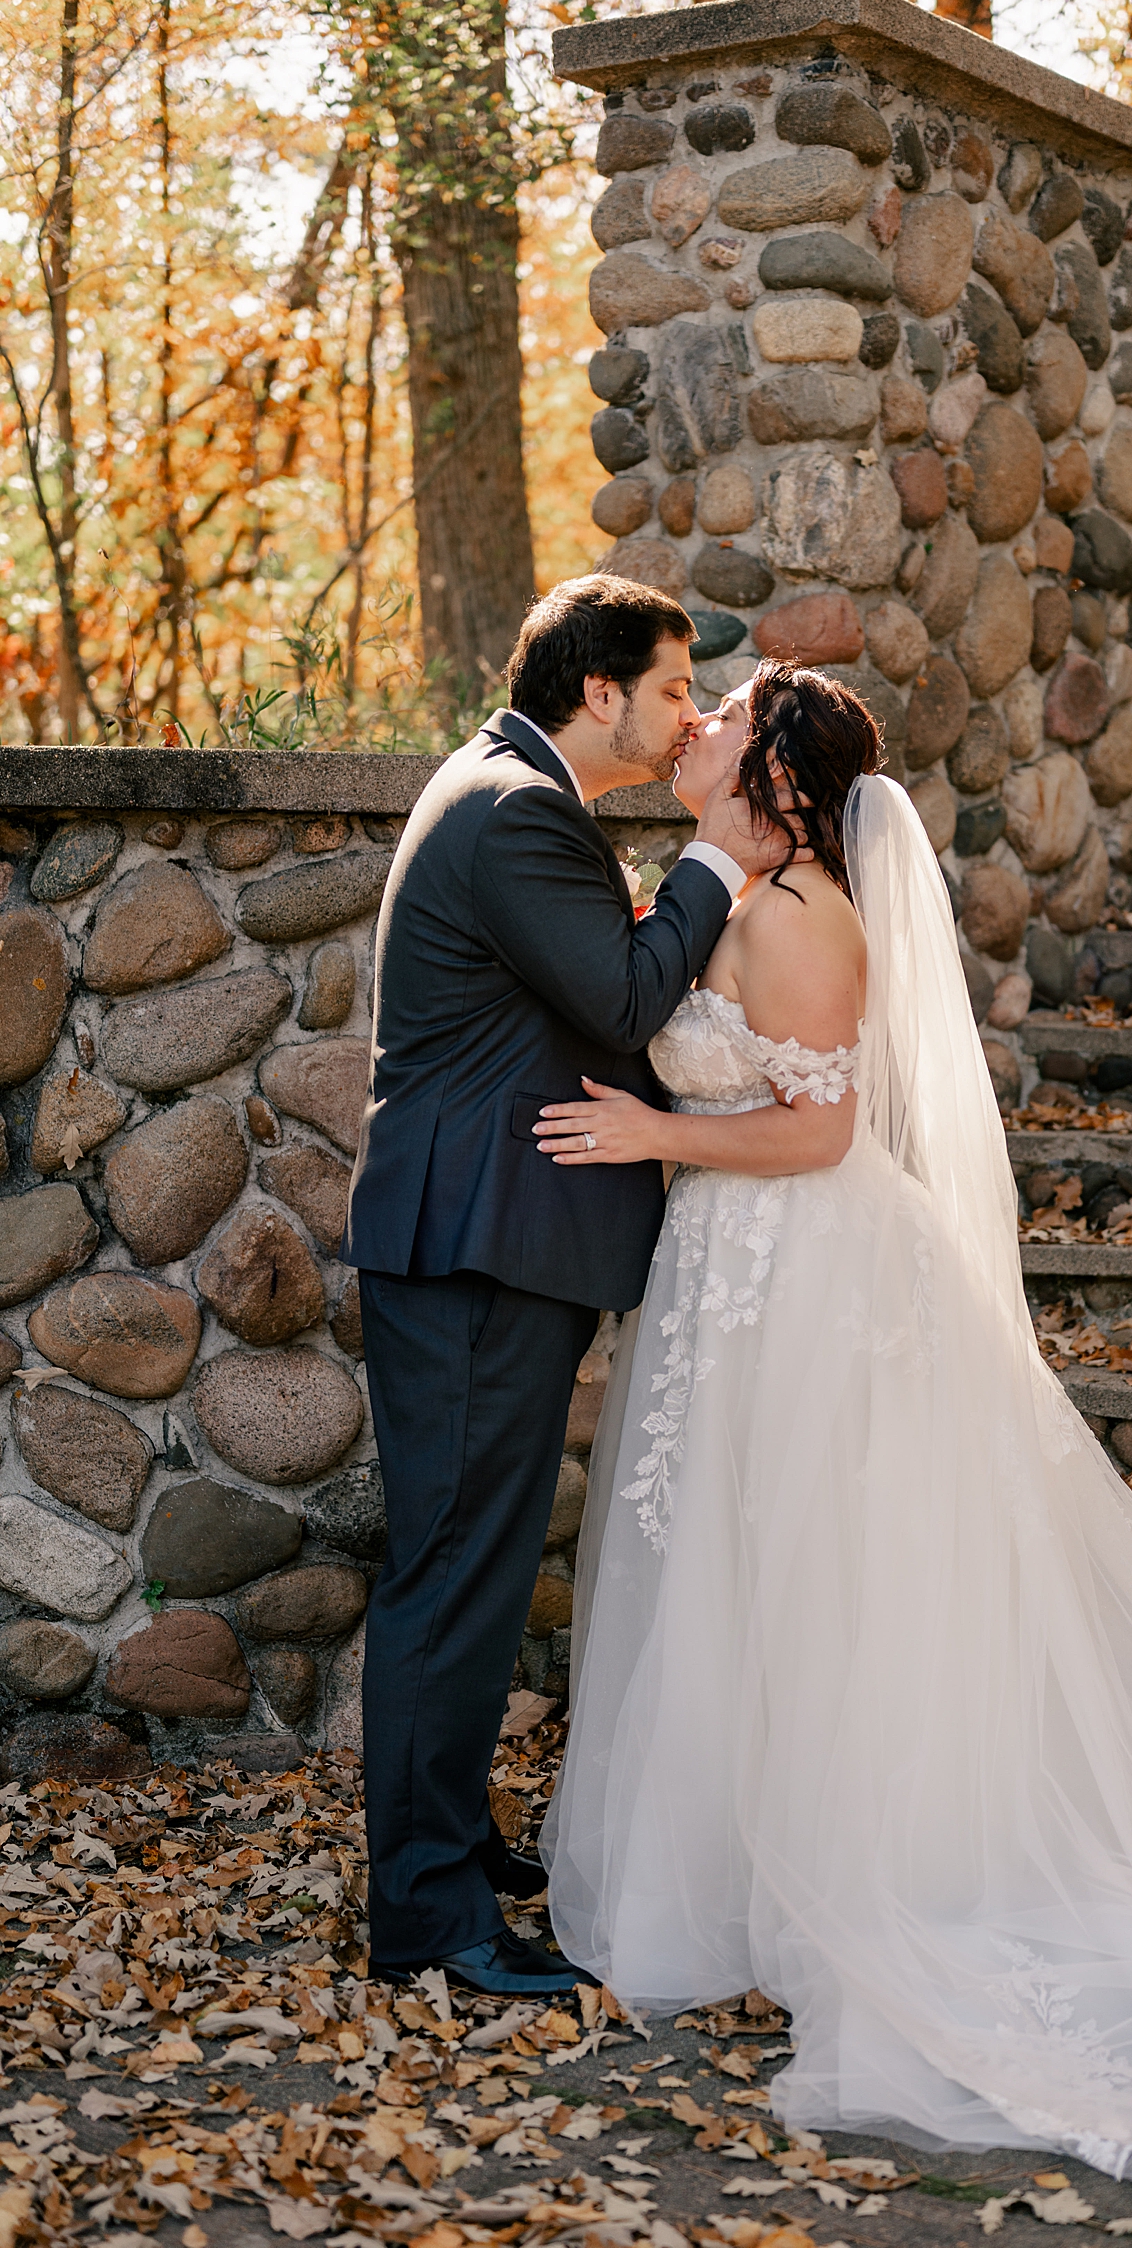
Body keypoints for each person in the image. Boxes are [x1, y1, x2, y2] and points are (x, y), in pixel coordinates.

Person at [540, 659, 1132, 2247]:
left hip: (816, 1279)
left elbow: (819, 1133)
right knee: (747, 1571)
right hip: (738, 1279)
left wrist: (654, 1136)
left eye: (719, 715)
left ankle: (857, 1873)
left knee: (836, 1576)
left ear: (778, 781)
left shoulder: (802, 921)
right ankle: (743, 1870)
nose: (692, 719)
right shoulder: (722, 890)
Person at [344, 577, 801, 1996]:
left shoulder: (510, 791)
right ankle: (429, 1915)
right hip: (480, 1243)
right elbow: (618, 997)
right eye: (671, 688)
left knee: (469, 1568)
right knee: (454, 1575)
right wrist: (720, 861)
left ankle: (450, 1846)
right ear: (597, 693)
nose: (681, 718)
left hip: (487, 1238)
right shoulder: (515, 809)